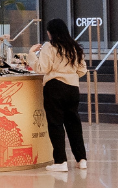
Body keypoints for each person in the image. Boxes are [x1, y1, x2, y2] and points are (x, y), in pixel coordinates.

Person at [30, 18, 88, 173]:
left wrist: (31, 54)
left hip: (54, 87)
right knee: (74, 124)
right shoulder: (74, 46)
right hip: (73, 88)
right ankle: (81, 159)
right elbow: (82, 70)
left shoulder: (50, 46)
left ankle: (60, 161)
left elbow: (42, 68)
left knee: (56, 124)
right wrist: (69, 73)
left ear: (51, 32)